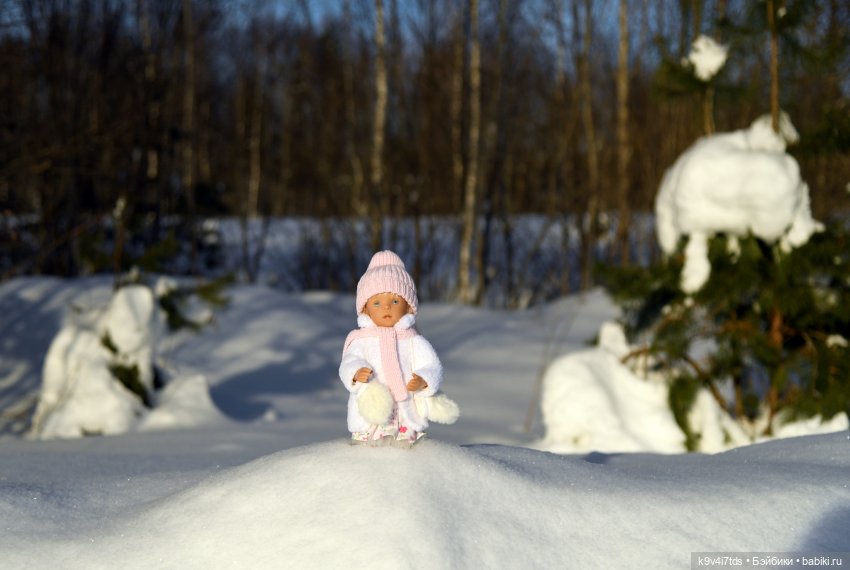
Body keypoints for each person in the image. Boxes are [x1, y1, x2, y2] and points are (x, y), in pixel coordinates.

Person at [339, 250, 457, 447]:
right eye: (377, 303)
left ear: (408, 306)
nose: (386, 308)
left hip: (405, 411)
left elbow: (432, 365)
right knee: (367, 452)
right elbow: (348, 362)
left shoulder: (413, 340)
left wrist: (424, 380)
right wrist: (355, 372)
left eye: (395, 301)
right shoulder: (362, 339)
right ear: (365, 308)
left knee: (407, 453)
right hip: (372, 412)